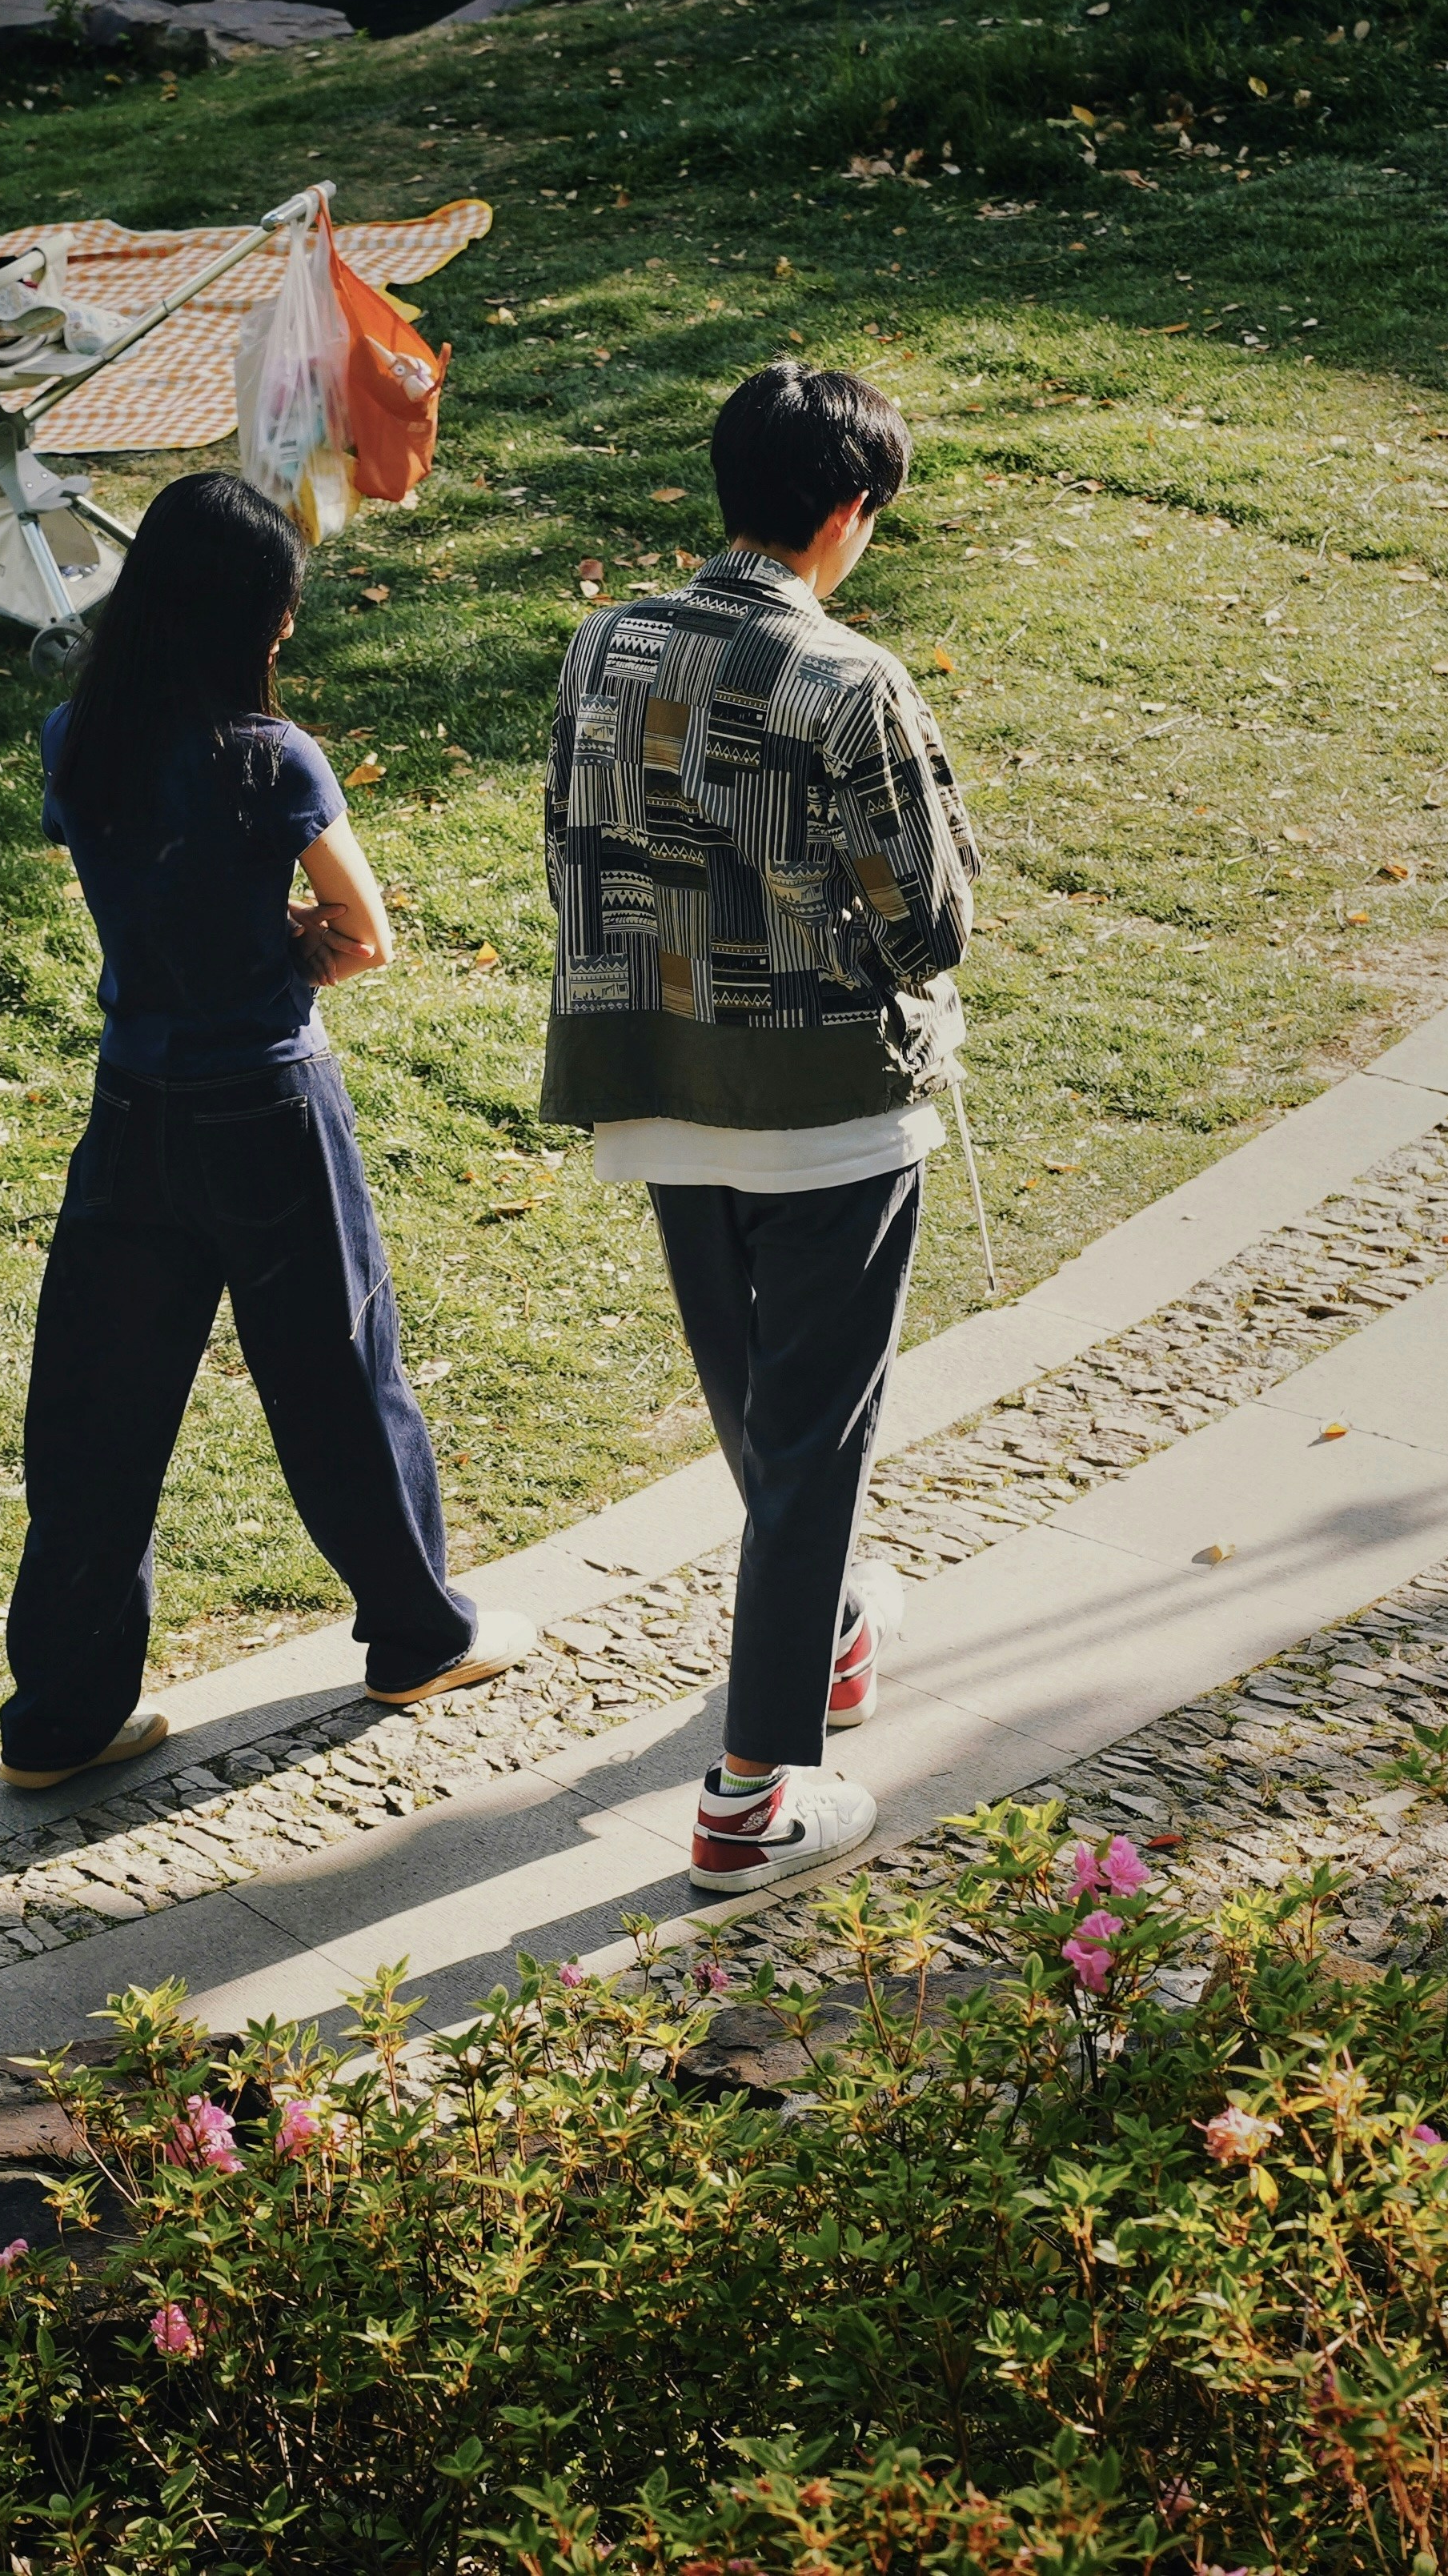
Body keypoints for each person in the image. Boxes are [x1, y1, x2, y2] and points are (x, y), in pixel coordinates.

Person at [0, 471, 525, 1789]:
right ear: (247, 619)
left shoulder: (77, 736)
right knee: (339, 1383)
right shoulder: (270, 757)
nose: (287, 632)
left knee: (95, 1412)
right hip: (271, 1109)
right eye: (281, 611)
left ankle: (59, 1715)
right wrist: (291, 952)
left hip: (133, 1108)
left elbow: (139, 896)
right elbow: (367, 937)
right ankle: (414, 1632)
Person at [538, 363, 977, 1897]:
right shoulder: (848, 681)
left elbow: (567, 846)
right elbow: (929, 926)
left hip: (654, 1078)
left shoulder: (605, 641)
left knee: (762, 1413)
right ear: (847, 514)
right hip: (824, 1109)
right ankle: (751, 1783)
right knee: (812, 1435)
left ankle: (835, 1610)